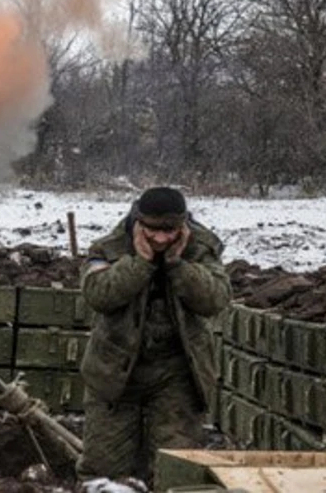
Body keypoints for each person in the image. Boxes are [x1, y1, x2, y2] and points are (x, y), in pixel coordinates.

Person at [76, 186, 232, 484]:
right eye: (152, 231)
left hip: (178, 373)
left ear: (183, 225)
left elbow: (216, 299)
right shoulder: (109, 247)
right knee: (104, 470)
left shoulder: (201, 248)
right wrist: (140, 263)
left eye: (170, 231)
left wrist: (177, 266)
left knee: (176, 470)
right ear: (138, 222)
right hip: (115, 373)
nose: (161, 239)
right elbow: (98, 294)